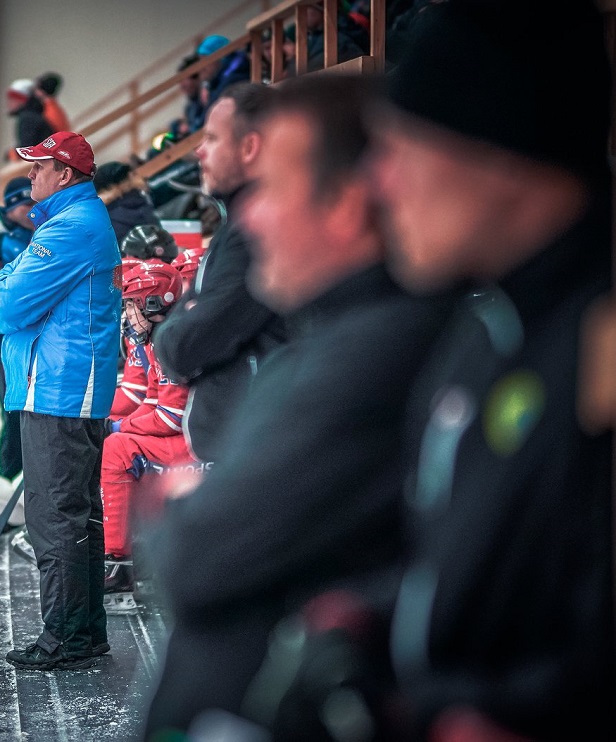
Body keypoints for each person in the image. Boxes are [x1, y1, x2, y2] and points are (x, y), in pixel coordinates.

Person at [139, 72, 455, 740]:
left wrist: (190, 505)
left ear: (345, 202)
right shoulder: (340, 338)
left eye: (274, 190)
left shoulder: (368, 354)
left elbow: (195, 558)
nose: (252, 216)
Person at [358, 1, 613, 737]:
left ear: (502, 151)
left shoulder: (597, 339)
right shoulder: (483, 327)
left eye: (400, 149)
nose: (379, 183)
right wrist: (363, 616)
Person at [0, 131, 121, 671]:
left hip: (58, 388)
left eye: (38, 168)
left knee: (55, 516)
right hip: (64, 385)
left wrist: (2, 278)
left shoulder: (69, 228)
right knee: (78, 515)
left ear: (64, 175)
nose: (29, 178)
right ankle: (84, 632)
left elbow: (7, 308)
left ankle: (64, 636)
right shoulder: (71, 223)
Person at [151, 83, 286, 466]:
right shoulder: (236, 227)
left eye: (211, 138)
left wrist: (179, 328)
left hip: (253, 454)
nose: (199, 151)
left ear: (249, 148)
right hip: (238, 448)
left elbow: (189, 339)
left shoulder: (255, 231)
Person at [101, 260, 193, 614]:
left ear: (155, 303)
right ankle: (128, 551)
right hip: (189, 432)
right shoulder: (160, 337)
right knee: (115, 443)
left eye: (132, 305)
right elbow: (151, 400)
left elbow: (171, 415)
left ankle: (118, 563)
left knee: (116, 450)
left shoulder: (171, 341)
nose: (127, 315)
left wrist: (118, 428)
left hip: (197, 441)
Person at [0, 176, 35, 482]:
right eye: (26, 205)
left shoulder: (40, 232)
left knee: (30, 416)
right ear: (12, 208)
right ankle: (6, 481)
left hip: (31, 339)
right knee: (14, 415)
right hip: (3, 342)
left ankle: (26, 482)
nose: (33, 211)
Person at [94, 161, 159, 244]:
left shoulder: (101, 219)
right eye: (125, 179)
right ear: (110, 189)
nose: (131, 179)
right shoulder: (136, 203)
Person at [6, 78, 55, 157]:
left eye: (13, 98)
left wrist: (11, 155)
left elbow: (26, 151)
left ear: (22, 100)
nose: (9, 103)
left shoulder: (27, 118)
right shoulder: (34, 115)